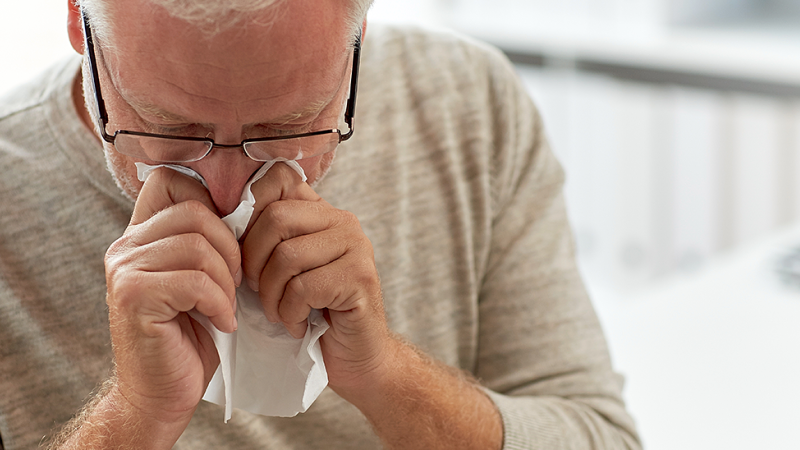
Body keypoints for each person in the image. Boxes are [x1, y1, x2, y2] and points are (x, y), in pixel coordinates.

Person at [0, 0, 641, 449]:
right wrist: (134, 418)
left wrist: (385, 376)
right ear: (78, 22)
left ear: (360, 32)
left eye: (288, 129)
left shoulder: (467, 105)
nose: (227, 192)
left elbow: (601, 438)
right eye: (168, 128)